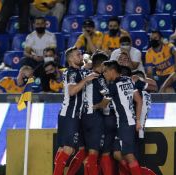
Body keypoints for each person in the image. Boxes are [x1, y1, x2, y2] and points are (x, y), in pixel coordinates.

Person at [53, 46, 98, 175]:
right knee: (68, 149)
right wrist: (86, 80)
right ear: (71, 59)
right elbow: (72, 91)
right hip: (70, 114)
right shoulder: (71, 72)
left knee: (70, 149)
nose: (81, 56)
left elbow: (89, 65)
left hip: (71, 115)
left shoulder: (79, 71)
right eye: (78, 55)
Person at [100, 60, 143, 175]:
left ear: (112, 71)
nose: (104, 74)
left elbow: (104, 104)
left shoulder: (113, 86)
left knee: (129, 156)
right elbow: (139, 100)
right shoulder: (129, 80)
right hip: (129, 122)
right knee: (117, 154)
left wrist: (94, 105)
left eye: (105, 72)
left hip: (125, 124)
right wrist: (138, 120)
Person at [81, 51, 109, 175]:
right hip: (95, 118)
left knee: (87, 155)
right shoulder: (99, 77)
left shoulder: (84, 74)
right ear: (102, 65)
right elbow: (107, 98)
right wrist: (99, 106)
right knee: (93, 154)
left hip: (82, 117)